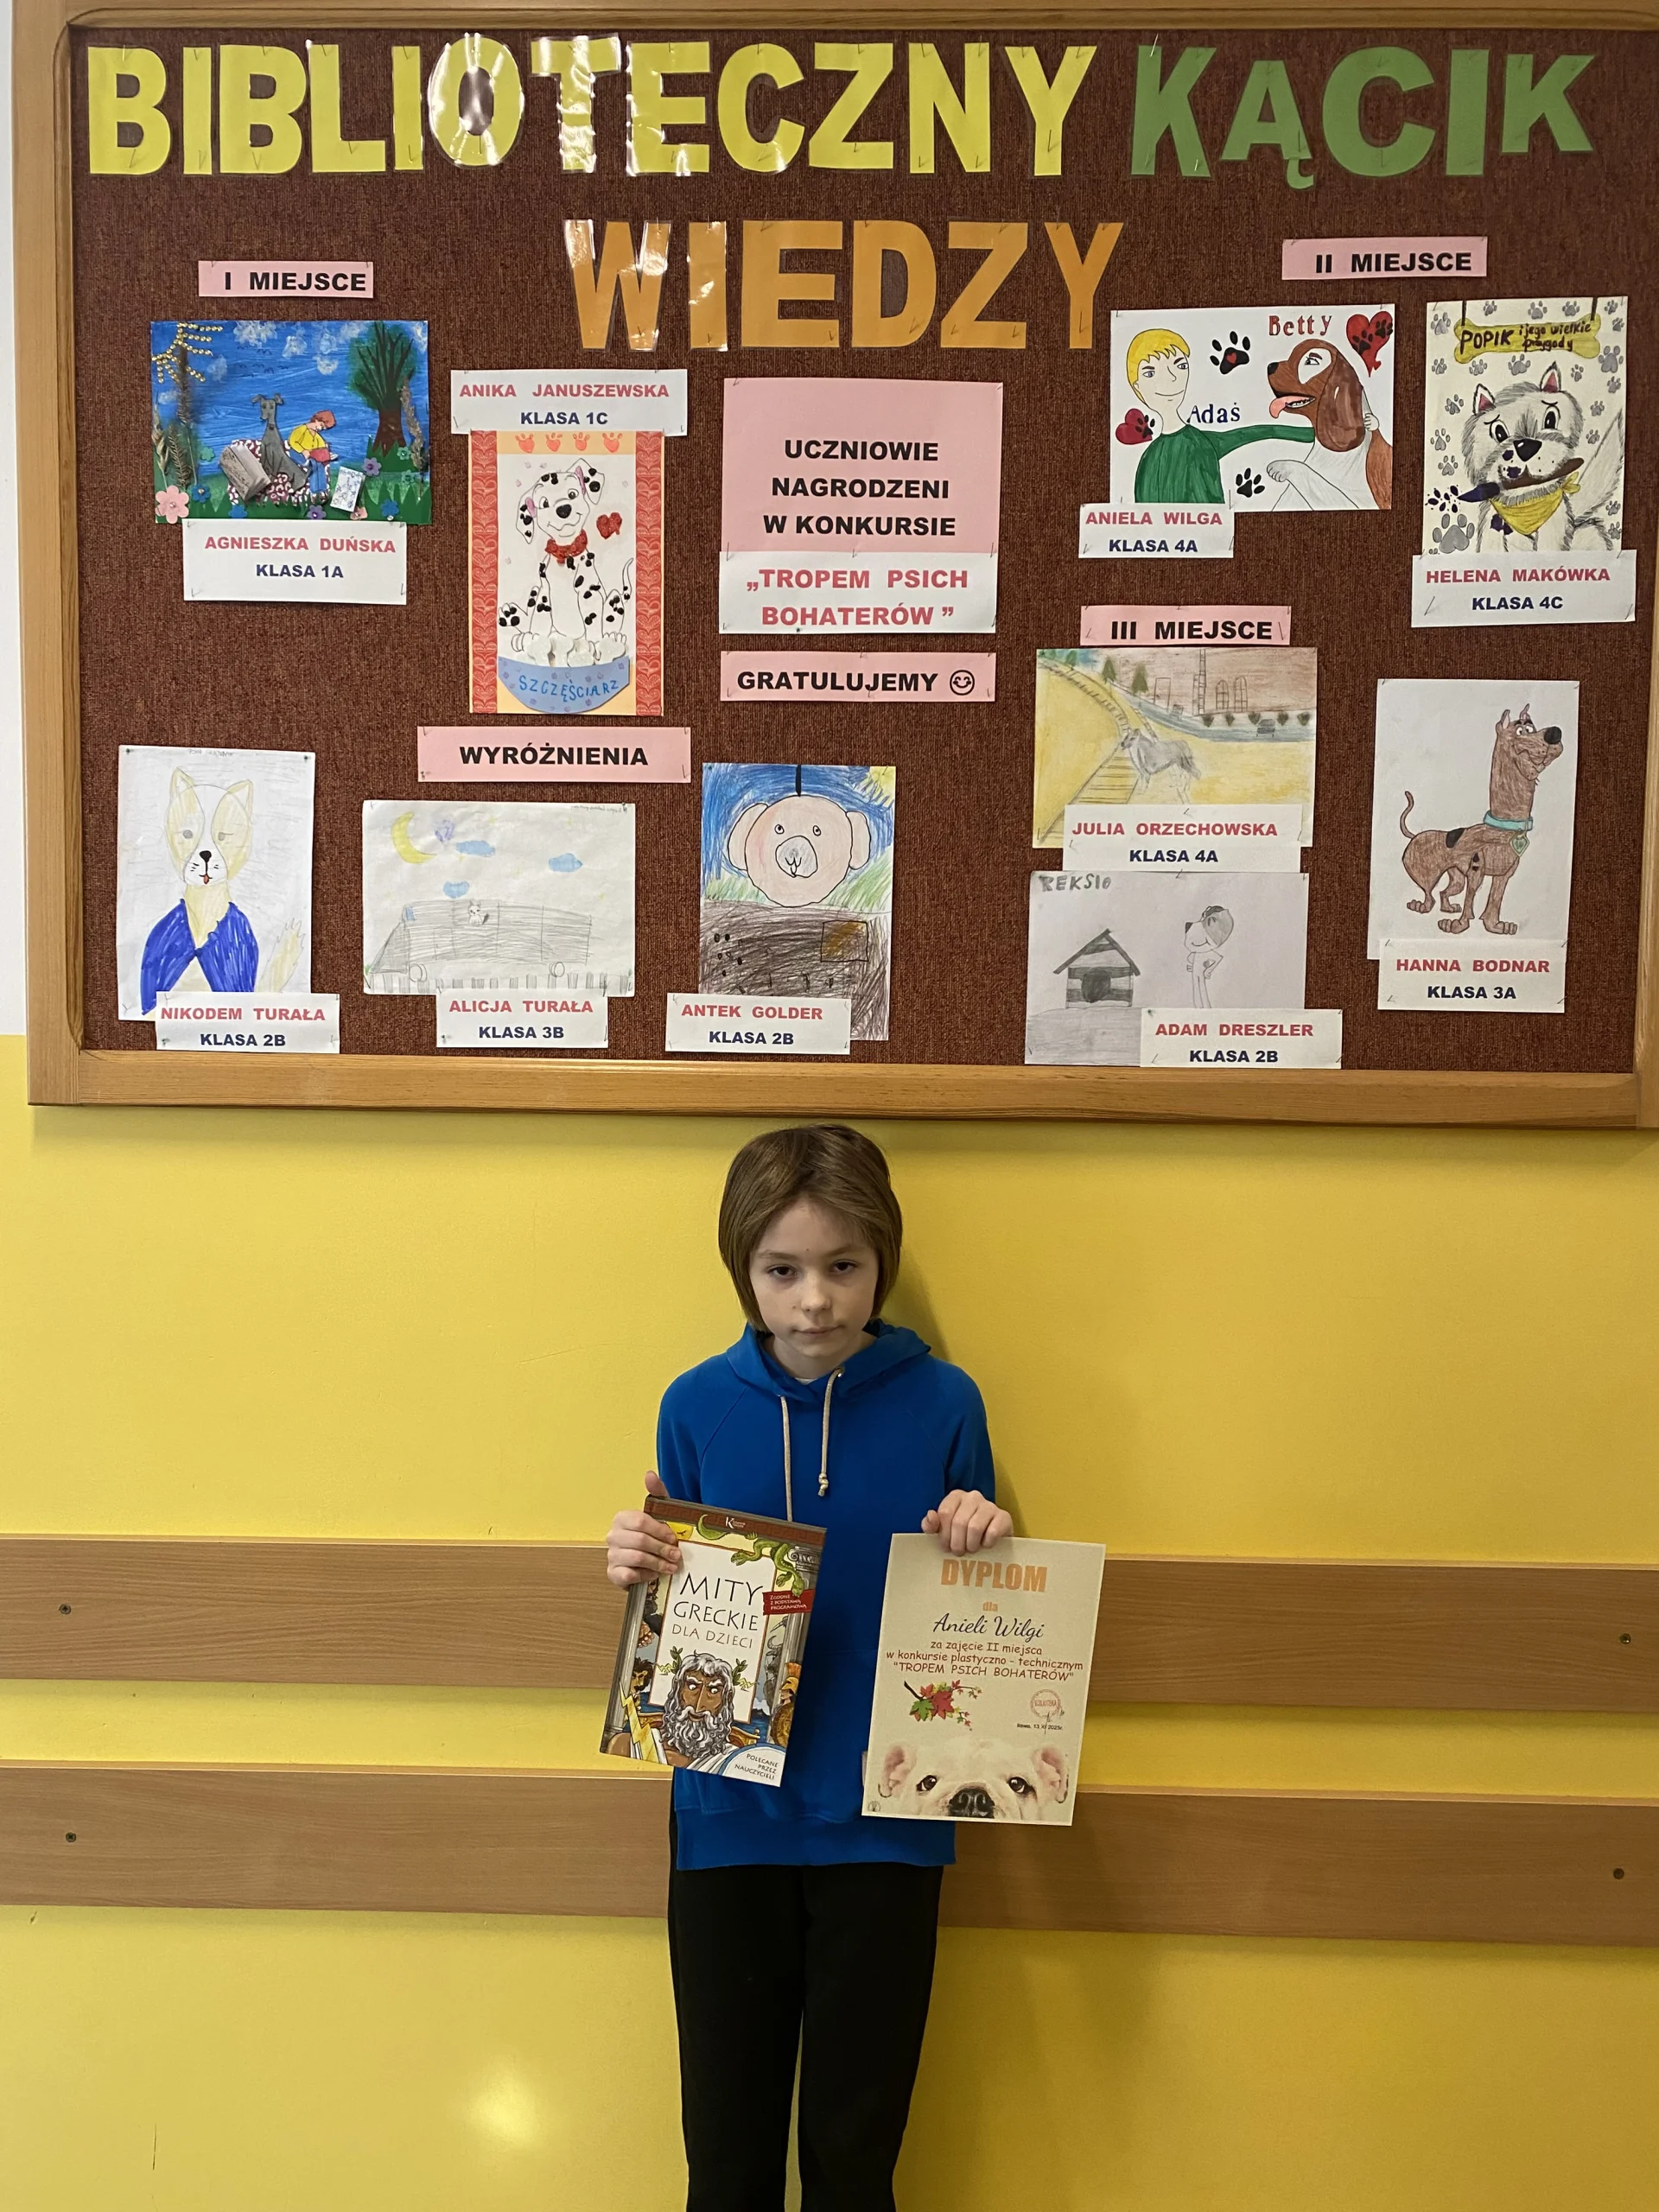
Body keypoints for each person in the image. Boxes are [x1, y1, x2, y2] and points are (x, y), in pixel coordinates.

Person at [607, 1123, 1009, 2212]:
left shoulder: (945, 1402)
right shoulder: (695, 1404)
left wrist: (985, 1528)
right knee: (726, 2156)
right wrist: (637, 1562)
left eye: (844, 1265)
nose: (816, 1301)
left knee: (855, 2155)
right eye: (781, 1270)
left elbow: (984, 1592)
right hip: (727, 1812)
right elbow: (673, 1595)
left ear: (884, 1261)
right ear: (742, 1269)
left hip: (890, 1814)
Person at [1122, 328, 1313, 504]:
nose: (1171, 378)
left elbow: (1212, 513)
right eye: (1150, 373)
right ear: (1137, 387)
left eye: (1180, 365)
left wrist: (1313, 434)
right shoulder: (1150, 458)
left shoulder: (1195, 447)